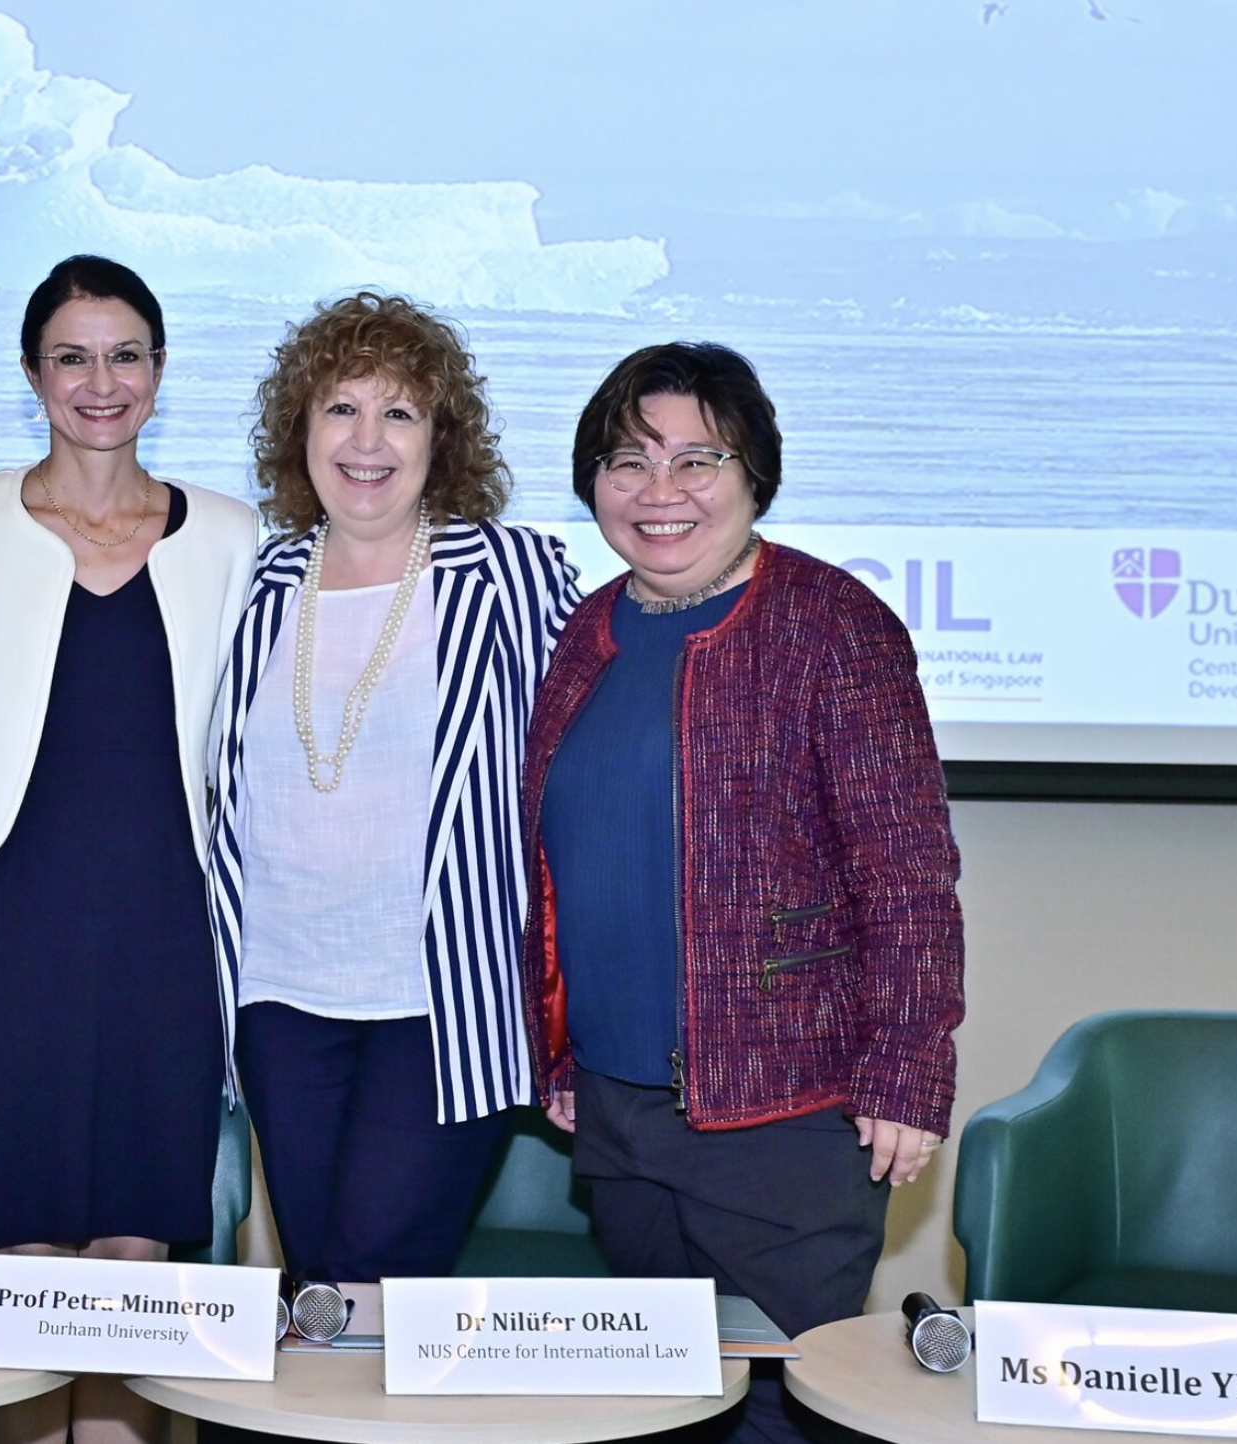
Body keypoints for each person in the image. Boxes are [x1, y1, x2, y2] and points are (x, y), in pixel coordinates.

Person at [518, 342, 965, 1444]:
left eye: (696, 459)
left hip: (783, 1123)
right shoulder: (584, 634)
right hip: (618, 1116)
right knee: (654, 1416)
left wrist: (907, 1068)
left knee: (773, 1421)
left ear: (753, 472)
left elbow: (905, 869)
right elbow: (567, 863)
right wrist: (561, 1047)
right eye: (625, 460)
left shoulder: (833, 626)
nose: (657, 492)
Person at [0, 256, 255, 1444]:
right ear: (31, 373)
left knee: (132, 1256)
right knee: (22, 1262)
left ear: (158, 373)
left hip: (167, 924)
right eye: (71, 355)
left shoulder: (227, 531)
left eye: (123, 355)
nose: (97, 381)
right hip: (16, 916)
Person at [206, 291, 581, 1285]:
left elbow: (579, 781)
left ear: (439, 440)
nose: (365, 440)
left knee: (377, 1277)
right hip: (277, 992)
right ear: (300, 428)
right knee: (315, 1287)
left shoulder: (509, 573)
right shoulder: (250, 583)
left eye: (399, 412)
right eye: (340, 407)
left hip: (441, 997)